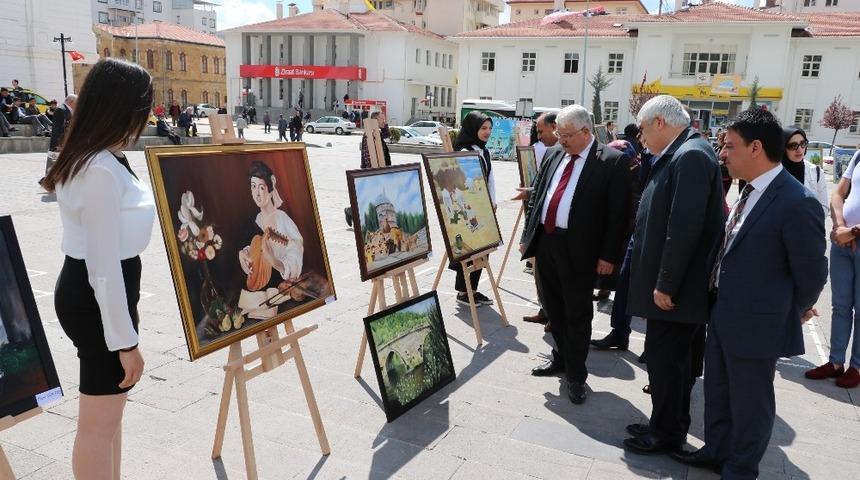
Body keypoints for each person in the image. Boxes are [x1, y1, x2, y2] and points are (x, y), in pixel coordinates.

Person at [672, 108, 828, 478]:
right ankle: (717, 451)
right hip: (723, 312)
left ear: (756, 147)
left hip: (759, 322)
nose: (723, 153)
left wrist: (793, 308)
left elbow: (812, 272)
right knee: (720, 392)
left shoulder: (797, 201)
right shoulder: (749, 192)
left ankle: (741, 468)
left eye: (730, 146)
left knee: (751, 401)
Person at [40, 58, 155, 480]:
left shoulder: (99, 158)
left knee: (108, 419)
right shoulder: (99, 170)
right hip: (99, 296)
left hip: (100, 292)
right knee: (98, 425)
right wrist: (124, 341)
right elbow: (103, 267)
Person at [624, 95, 725, 455]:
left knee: (668, 363)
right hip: (673, 289)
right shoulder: (682, 152)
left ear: (660, 124)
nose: (642, 139)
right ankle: (663, 422)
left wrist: (666, 282)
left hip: (676, 292)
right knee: (667, 362)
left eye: (644, 130)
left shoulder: (692, 155)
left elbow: (684, 228)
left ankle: (667, 433)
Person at [520, 105, 631, 405]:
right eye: (559, 133)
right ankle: (560, 357)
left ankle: (577, 374)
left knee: (577, 313)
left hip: (581, 250)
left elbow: (619, 216)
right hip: (547, 242)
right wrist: (528, 236)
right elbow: (540, 195)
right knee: (552, 307)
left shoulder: (612, 162)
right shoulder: (555, 154)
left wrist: (609, 256)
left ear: (586, 132)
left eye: (567, 135)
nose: (561, 139)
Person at [805, 148, 860, 389]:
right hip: (842, 243)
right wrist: (839, 227)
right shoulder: (859, 156)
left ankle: (856, 367)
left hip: (853, 237)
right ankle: (836, 362)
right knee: (840, 306)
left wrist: (854, 231)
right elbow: (838, 194)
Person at [451, 111, 498, 307]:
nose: (487, 132)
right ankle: (463, 292)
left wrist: (493, 203)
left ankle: (473, 290)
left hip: (484, 209)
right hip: (470, 210)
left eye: (489, 129)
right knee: (469, 252)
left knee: (482, 251)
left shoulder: (482, 150)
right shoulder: (465, 153)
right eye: (483, 128)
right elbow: (465, 185)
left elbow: (490, 179)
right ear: (473, 129)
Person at [522, 112, 558, 327]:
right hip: (541, 227)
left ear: (555, 126)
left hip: (560, 234)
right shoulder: (549, 153)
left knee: (555, 279)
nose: (539, 136)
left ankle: (554, 315)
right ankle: (546, 310)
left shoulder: (566, 154)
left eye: (541, 131)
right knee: (540, 273)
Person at [781, 126, 828, 214]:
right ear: (783, 148)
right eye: (793, 145)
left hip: (807, 225)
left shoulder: (816, 171)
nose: (799, 149)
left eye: (803, 144)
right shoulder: (773, 170)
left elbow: (824, 207)